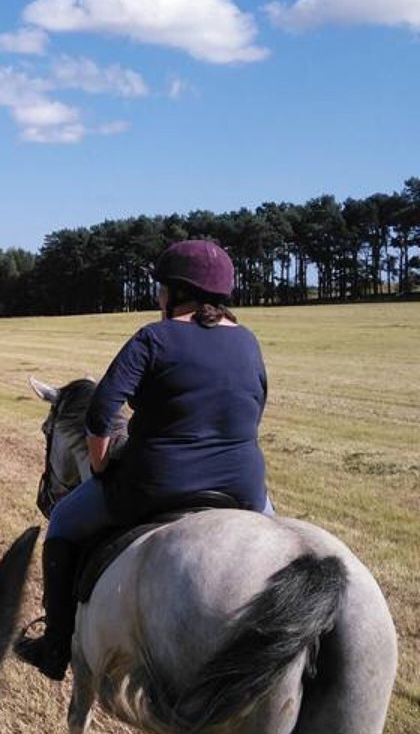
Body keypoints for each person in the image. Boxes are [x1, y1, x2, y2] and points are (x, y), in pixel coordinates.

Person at [15, 240, 271, 681]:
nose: (158, 299)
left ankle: (56, 646)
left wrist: (98, 467)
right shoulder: (248, 341)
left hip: (156, 483)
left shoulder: (155, 337)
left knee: (63, 524)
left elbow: (100, 413)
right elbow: (255, 406)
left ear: (173, 292)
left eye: (161, 290)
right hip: (245, 487)